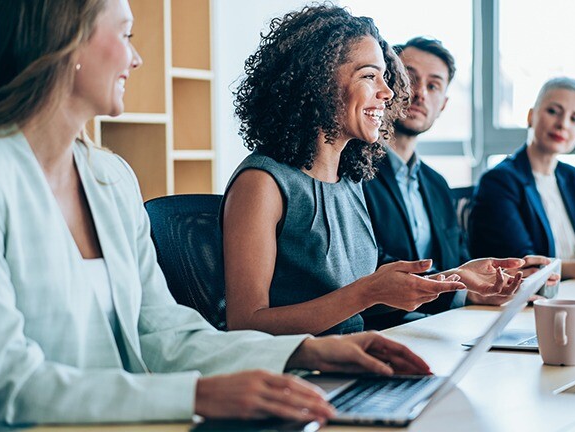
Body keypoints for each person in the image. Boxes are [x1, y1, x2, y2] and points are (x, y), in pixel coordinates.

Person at [0, 1, 432, 429]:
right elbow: (9, 382)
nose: (136, 59)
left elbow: (164, 334)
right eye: (126, 34)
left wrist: (306, 353)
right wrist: (200, 393)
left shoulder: (109, 178)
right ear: (64, 41)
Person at [222, 6, 525, 337]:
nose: (390, 92)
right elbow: (246, 323)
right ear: (318, 80)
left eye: (384, 76)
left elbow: (360, 302)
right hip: (302, 375)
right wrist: (367, 292)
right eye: (369, 76)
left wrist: (455, 277)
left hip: (355, 356)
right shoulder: (262, 183)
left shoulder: (350, 180)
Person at [362, 37, 553, 329]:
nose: (420, 93)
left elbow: (460, 261)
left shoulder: (436, 184)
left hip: (444, 324)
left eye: (433, 85)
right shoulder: (355, 172)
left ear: (443, 105)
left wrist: (497, 280)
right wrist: (462, 292)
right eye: (409, 79)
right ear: (388, 85)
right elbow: (368, 264)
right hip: (386, 329)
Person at [469, 77, 575, 279]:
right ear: (531, 116)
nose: (563, 124)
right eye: (553, 111)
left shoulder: (574, 177)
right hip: (529, 301)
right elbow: (527, 267)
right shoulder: (499, 181)